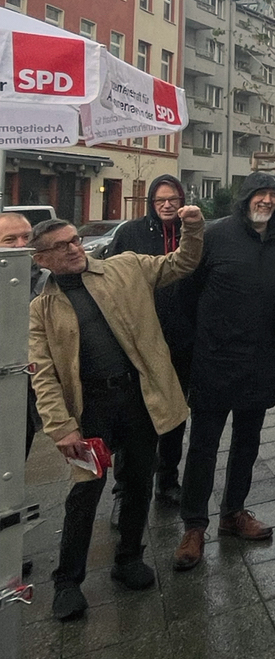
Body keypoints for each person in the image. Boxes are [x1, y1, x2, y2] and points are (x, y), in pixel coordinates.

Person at [28, 209, 203, 620]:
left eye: (74, 240)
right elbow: (44, 376)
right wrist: (61, 428)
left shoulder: (125, 269)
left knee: (139, 480)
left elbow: (182, 262)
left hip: (139, 399)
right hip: (90, 411)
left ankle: (128, 559)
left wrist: (192, 228)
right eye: (61, 246)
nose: (74, 248)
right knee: (85, 493)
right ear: (41, 260)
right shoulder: (42, 309)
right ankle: (68, 581)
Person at [173, 173, 275, 571]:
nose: (267, 201)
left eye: (274, 196)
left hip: (261, 361)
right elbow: (185, 295)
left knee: (248, 442)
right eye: (260, 194)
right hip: (214, 360)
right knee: (204, 445)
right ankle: (194, 526)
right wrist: (196, 347)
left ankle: (233, 512)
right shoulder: (214, 235)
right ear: (244, 198)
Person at [106, 174, 193, 510]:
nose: (167, 205)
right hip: (140, 342)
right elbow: (111, 281)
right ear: (151, 203)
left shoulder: (194, 233)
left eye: (173, 199)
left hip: (181, 342)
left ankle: (168, 480)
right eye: (160, 200)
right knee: (135, 419)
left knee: (175, 414)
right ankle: (124, 490)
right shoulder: (132, 233)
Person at [1, 211, 48, 581]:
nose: (21, 246)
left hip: (26, 398)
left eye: (26, 238)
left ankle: (8, 552)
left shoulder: (45, 281)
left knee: (14, 473)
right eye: (10, 240)